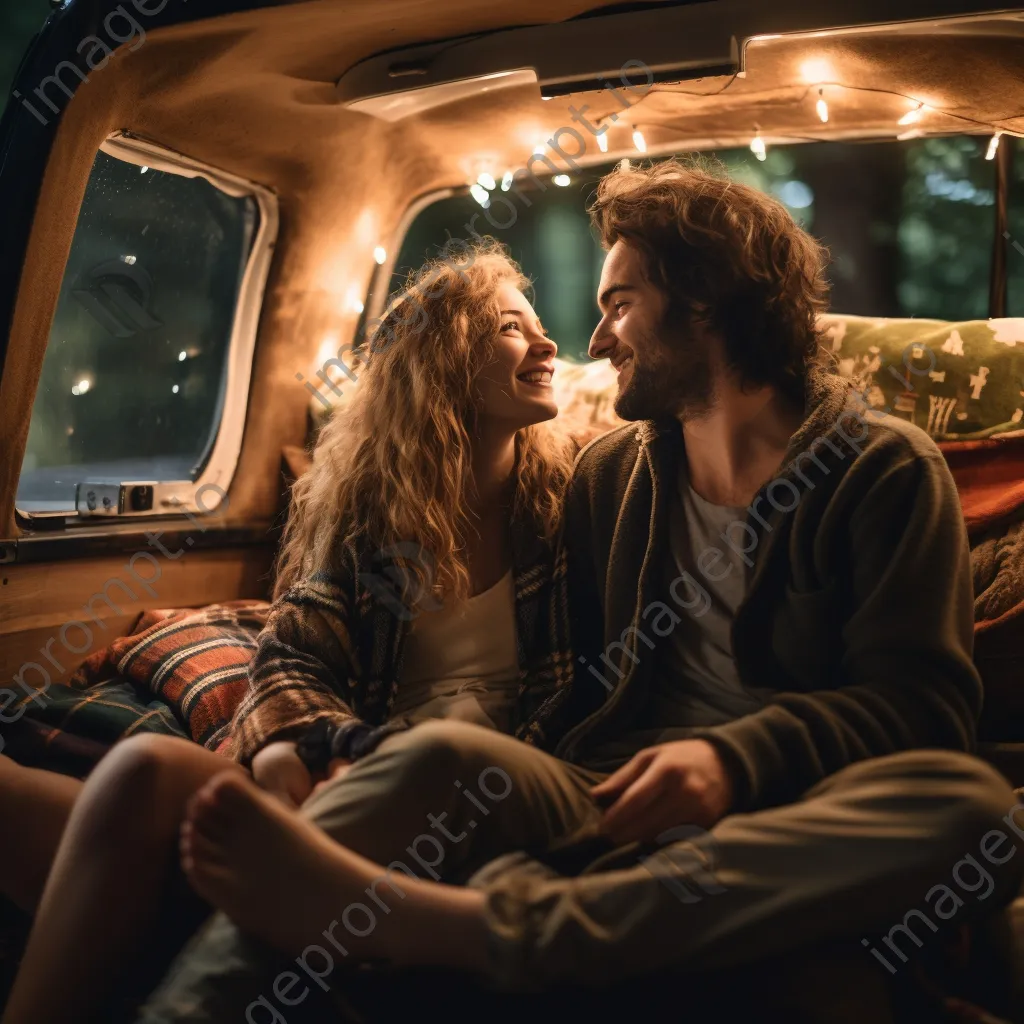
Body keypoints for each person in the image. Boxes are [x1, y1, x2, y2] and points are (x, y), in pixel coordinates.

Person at [131, 156, 1023, 1023]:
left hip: (799, 817)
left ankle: (492, 925)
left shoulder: (883, 470)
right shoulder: (603, 479)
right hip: (604, 790)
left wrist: (732, 759)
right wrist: (290, 733)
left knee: (980, 812)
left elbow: (924, 710)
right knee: (436, 757)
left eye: (620, 306)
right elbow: (405, 556)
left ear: (706, 302)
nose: (593, 342)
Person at [0, 240, 578, 1024]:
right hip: (351, 770)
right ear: (441, 364)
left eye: (539, 327)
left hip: (456, 802)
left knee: (133, 866)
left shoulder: (571, 507)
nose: (547, 345)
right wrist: (305, 748)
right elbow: (292, 655)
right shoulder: (378, 522)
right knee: (140, 771)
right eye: (512, 327)